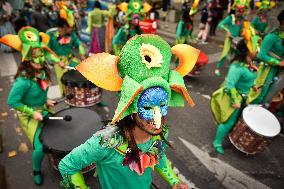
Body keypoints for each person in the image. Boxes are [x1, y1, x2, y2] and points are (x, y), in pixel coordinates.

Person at [59, 34, 200, 189]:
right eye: (147, 107)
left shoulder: (160, 132)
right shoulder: (105, 143)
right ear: (130, 107)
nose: (157, 119)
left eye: (162, 105)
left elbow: (158, 156)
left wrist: (174, 181)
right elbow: (67, 165)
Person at [1, 26, 60, 185]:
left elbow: (41, 92)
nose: (40, 59)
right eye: (35, 56)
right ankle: (36, 170)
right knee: (40, 147)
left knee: (56, 133)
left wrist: (46, 101)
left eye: (41, 54)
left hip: (43, 109)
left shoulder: (42, 71)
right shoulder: (23, 80)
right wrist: (32, 112)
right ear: (27, 57)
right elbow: (12, 102)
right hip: (28, 116)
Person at [211, 39, 258, 155]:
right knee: (229, 122)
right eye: (255, 47)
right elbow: (229, 85)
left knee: (237, 120)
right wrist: (235, 100)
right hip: (234, 98)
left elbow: (247, 78)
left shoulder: (249, 62)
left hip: (244, 97)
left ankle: (230, 134)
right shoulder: (237, 67)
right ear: (247, 51)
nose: (258, 50)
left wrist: (254, 85)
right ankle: (216, 142)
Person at [247, 10, 284, 105]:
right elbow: (261, 55)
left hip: (278, 72)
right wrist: (278, 62)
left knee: (269, 98)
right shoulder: (272, 36)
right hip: (266, 70)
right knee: (259, 96)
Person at [47, 16, 85, 95]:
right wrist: (57, 61)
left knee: (80, 74)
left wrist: (82, 54)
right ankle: (67, 98)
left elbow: (79, 44)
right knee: (63, 81)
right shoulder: (50, 35)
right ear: (64, 27)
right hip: (59, 62)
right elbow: (47, 52)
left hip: (71, 59)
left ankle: (79, 95)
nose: (72, 30)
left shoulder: (72, 34)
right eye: (70, 28)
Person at [214, 4, 246, 76]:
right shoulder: (230, 18)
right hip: (229, 39)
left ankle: (232, 71)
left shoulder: (242, 20)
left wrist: (243, 33)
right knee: (225, 54)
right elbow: (220, 25)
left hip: (237, 40)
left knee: (235, 55)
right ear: (236, 11)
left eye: (241, 11)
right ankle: (217, 68)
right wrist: (227, 30)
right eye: (238, 11)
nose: (240, 13)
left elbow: (241, 30)